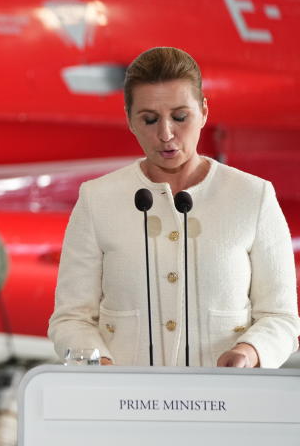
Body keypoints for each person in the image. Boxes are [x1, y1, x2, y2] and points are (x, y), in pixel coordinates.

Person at [48, 47, 300, 368]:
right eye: (150, 120)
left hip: (225, 404)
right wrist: (101, 368)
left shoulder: (254, 196)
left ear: (204, 112)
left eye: (180, 117)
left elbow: (281, 318)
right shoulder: (97, 199)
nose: (166, 134)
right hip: (123, 406)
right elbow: (71, 318)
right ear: (129, 120)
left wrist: (249, 353)